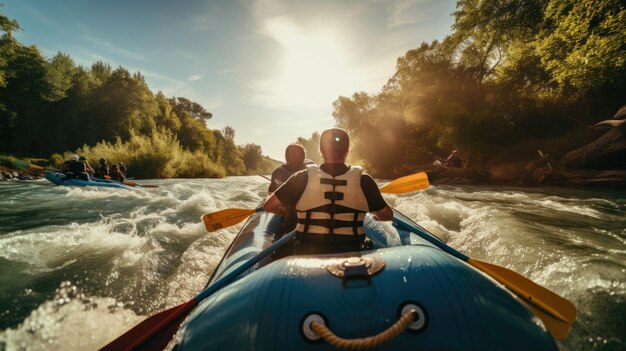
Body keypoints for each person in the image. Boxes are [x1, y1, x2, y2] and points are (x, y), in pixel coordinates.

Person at [263, 128, 393, 255]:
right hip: (351, 256)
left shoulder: (301, 177)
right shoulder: (365, 181)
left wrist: (288, 211)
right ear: (347, 151)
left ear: (320, 151)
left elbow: (268, 206)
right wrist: (371, 217)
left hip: (307, 256)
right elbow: (387, 215)